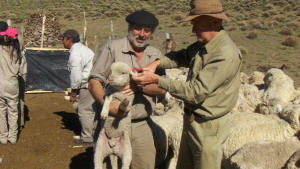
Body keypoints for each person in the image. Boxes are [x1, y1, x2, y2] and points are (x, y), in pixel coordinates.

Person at [132, 0, 243, 168]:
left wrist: (156, 80)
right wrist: (156, 63)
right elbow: (182, 56)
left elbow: (195, 92)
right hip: (191, 121)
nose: (192, 30)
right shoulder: (203, 45)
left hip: (209, 128)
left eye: (197, 24)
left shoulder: (225, 54)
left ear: (215, 21)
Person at [88, 10, 166, 169]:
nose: (142, 34)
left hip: (141, 126)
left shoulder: (155, 55)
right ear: (130, 28)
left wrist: (138, 85)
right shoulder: (112, 48)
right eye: (138, 28)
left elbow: (163, 88)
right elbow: (94, 81)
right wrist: (107, 106)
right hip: (111, 123)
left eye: (147, 30)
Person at [59, 29, 95, 146]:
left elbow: (76, 76)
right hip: (93, 82)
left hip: (87, 84)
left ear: (69, 39)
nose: (62, 41)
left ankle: (87, 138)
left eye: (63, 39)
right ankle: (93, 133)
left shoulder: (75, 54)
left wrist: (73, 93)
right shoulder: (84, 49)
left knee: (84, 110)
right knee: (92, 109)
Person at [0, 28, 27, 145]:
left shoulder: (0, 50)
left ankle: (2, 136)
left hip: (1, 83)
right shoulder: (19, 53)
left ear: (6, 37)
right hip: (13, 83)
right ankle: (13, 136)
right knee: (13, 110)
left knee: (1, 110)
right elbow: (23, 71)